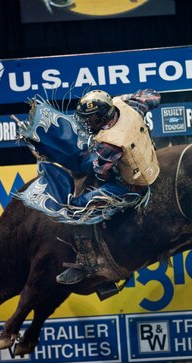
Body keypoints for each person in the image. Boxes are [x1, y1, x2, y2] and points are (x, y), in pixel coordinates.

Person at [16, 88, 161, 285]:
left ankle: (87, 262)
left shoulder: (110, 144)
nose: (86, 123)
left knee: (77, 209)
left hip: (130, 187)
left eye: (91, 120)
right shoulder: (130, 105)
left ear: (103, 116)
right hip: (147, 162)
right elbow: (153, 95)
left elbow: (100, 174)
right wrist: (126, 98)